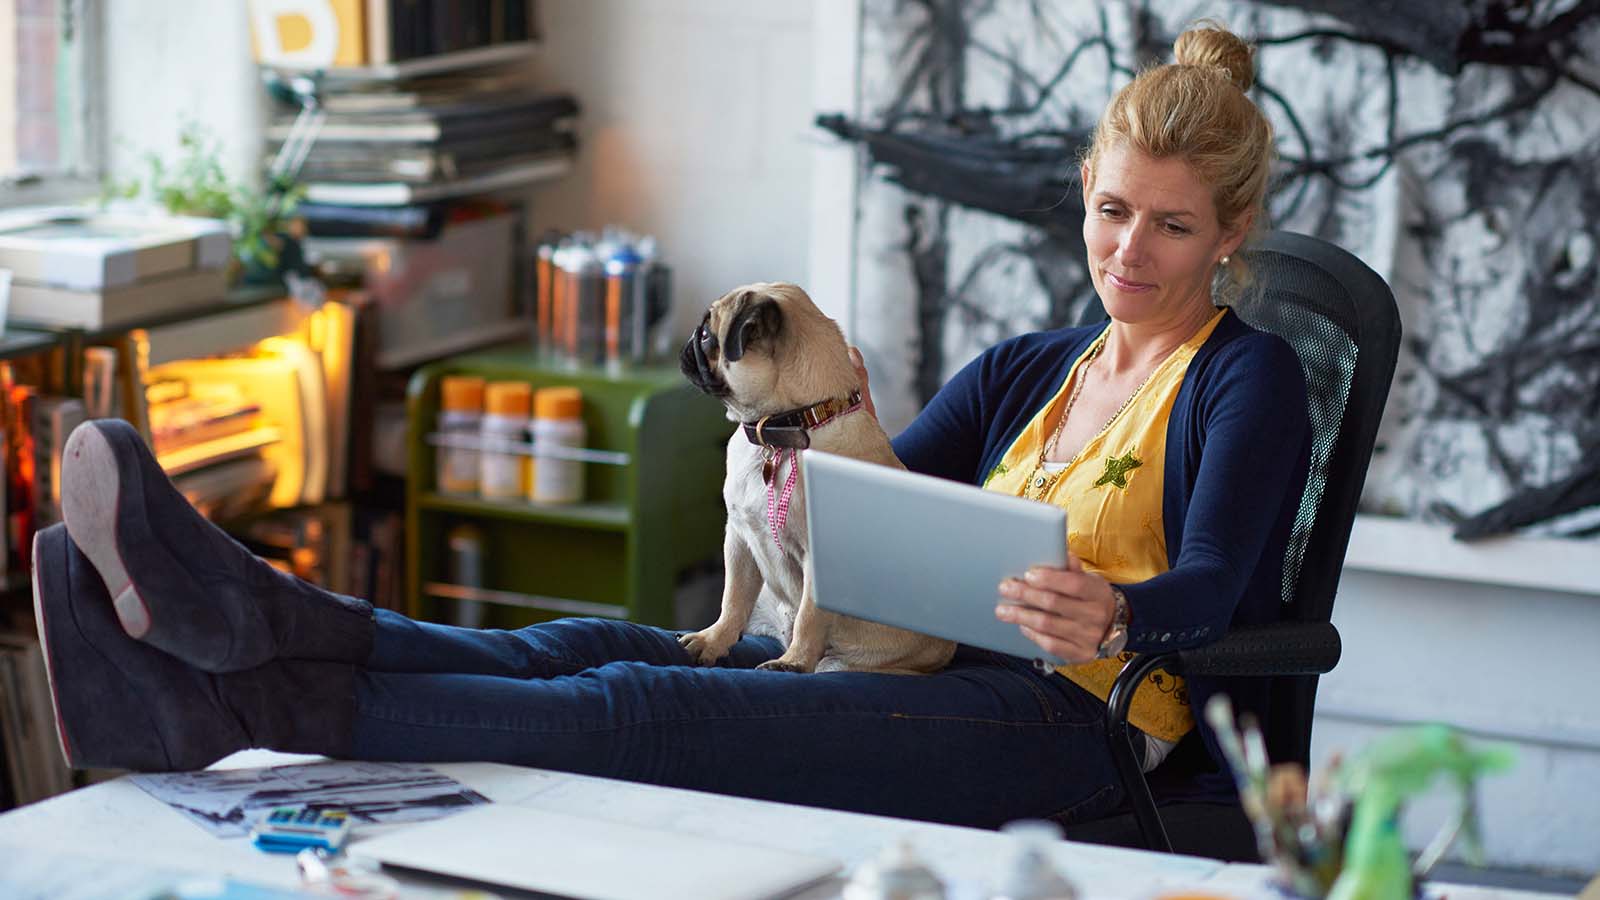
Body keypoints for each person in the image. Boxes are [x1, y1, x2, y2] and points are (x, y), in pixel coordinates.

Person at [33, 22, 1307, 831]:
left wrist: (1119, 611)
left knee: (640, 707)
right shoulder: (1032, 364)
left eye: (1172, 226)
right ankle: (247, 621)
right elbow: (865, 518)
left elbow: (1217, 586)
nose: (1127, 251)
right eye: (1111, 211)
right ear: (1084, 193)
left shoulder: (1246, 382)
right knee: (586, 640)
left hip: (1073, 729)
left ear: (1231, 233)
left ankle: (224, 699)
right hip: (910, 667)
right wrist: (820, 422)